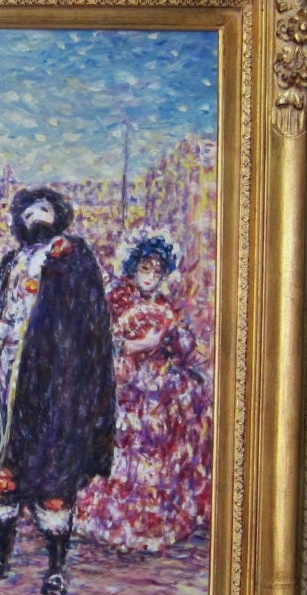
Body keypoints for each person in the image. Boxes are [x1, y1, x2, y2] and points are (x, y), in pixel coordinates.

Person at [0, 187, 115, 595]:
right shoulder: (11, 262)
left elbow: (81, 324)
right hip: (4, 385)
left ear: (58, 215)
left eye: (44, 209)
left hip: (53, 389)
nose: (36, 217)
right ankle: (0, 556)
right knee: (2, 469)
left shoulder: (72, 258)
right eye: (29, 211)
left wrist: (28, 338)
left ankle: (55, 570)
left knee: (52, 475)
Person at [78, 235, 211, 553]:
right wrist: (139, 345)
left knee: (177, 426)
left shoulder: (166, 307)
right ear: (133, 269)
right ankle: (122, 521)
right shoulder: (117, 301)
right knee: (131, 446)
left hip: (160, 387)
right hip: (127, 387)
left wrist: (174, 340)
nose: (150, 277)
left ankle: (157, 518)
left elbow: (184, 348)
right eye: (144, 269)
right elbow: (99, 342)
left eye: (156, 271)